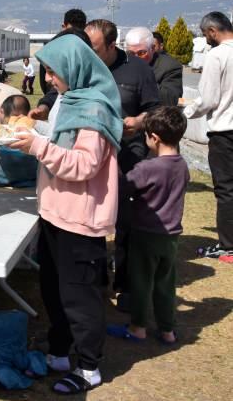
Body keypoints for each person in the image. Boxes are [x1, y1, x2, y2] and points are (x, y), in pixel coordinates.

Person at [10, 34, 123, 394]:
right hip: (55, 214)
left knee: (80, 297)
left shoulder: (95, 108)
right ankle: (60, 352)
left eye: (53, 71)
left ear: (73, 68)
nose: (49, 79)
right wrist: (33, 132)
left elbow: (84, 165)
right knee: (54, 289)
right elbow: (63, 141)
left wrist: (38, 145)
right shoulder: (73, 101)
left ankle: (89, 367)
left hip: (80, 219)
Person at [85, 19, 160, 302]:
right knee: (91, 217)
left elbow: (154, 110)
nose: (90, 54)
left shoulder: (139, 70)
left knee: (126, 220)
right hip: (91, 153)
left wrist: (139, 122)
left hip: (129, 151)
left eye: (95, 48)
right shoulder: (86, 67)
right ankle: (95, 279)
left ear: (111, 45)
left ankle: (125, 283)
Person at [107, 106, 189, 345]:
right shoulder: (182, 166)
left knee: (141, 283)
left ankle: (137, 327)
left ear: (154, 138)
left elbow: (122, 189)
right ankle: (167, 330)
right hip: (171, 235)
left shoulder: (147, 168)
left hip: (145, 234)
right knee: (165, 284)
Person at [184, 11, 233, 258]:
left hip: (224, 131)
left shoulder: (217, 55)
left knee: (225, 190)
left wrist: (185, 113)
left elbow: (208, 99)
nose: (206, 40)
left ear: (213, 31)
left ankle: (227, 245)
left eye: (205, 35)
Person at [32, 10, 89, 120]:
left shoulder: (91, 108)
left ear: (63, 25)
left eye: (52, 71)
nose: (48, 78)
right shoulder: (86, 47)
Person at [125, 27, 183, 107]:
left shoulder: (170, 66)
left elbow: (171, 99)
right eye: (131, 53)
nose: (136, 58)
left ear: (152, 49)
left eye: (141, 53)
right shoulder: (123, 62)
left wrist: (143, 79)